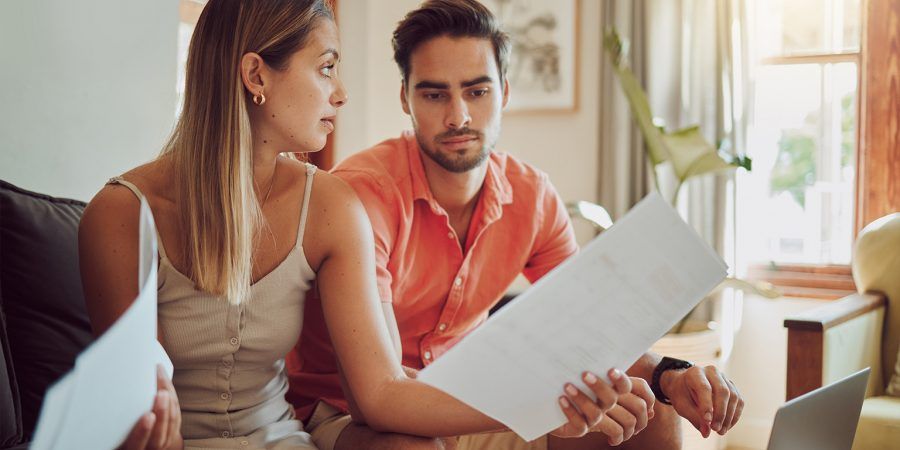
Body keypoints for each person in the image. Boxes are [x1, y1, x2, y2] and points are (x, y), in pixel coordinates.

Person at [78, 0, 630, 449]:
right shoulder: (122, 213)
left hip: (282, 437)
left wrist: (550, 401)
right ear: (255, 75)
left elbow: (380, 393)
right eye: (326, 69)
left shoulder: (330, 206)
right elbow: (132, 408)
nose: (340, 94)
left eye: (478, 91)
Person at [287, 1, 745, 449]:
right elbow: (382, 398)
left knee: (649, 411)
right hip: (347, 407)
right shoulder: (364, 195)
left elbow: (588, 327)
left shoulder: (532, 197)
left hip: (466, 399)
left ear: (504, 92)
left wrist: (670, 375)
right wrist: (535, 405)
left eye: (477, 91)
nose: (459, 116)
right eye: (434, 94)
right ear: (405, 98)